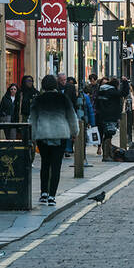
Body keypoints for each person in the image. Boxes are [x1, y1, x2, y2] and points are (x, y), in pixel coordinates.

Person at [29, 75, 79, 206]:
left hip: (43, 134)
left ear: (43, 86)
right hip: (60, 134)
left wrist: (32, 136)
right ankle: (52, 196)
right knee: (56, 165)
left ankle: (43, 193)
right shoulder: (63, 98)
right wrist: (74, 132)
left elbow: (32, 119)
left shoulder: (38, 99)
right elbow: (72, 116)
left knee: (45, 164)